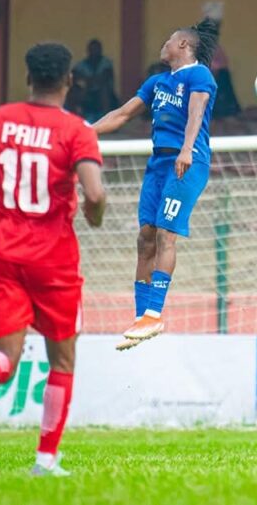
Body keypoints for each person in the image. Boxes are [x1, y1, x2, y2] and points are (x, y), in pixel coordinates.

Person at [0, 42, 106, 476]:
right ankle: (45, 459)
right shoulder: (76, 130)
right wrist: (94, 217)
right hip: (54, 258)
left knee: (6, 355)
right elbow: (95, 194)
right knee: (62, 360)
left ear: (28, 78)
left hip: (4, 252)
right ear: (69, 80)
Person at [93, 19, 218, 349]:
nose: (163, 45)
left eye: (168, 40)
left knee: (165, 234)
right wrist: (85, 132)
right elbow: (122, 114)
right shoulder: (157, 82)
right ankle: (141, 318)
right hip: (158, 163)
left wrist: (187, 149)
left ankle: (154, 314)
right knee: (145, 237)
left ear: (183, 45)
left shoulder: (199, 75)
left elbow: (196, 113)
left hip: (187, 161)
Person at [72, 39, 118, 121]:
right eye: (92, 49)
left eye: (96, 49)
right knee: (76, 90)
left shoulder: (106, 62)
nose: (94, 52)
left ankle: (106, 118)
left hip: (103, 94)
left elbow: (105, 76)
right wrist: (88, 82)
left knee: (104, 89)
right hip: (87, 92)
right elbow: (75, 75)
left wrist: (89, 80)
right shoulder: (82, 64)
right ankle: (79, 117)